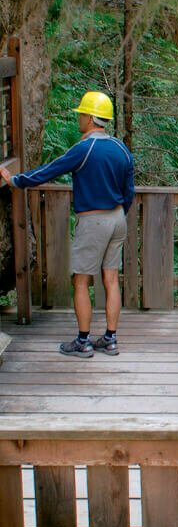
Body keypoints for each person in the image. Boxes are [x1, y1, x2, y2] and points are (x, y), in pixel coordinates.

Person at [0, 90, 135, 357]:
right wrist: (118, 213)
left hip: (93, 221)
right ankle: (110, 339)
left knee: (81, 281)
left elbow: (49, 170)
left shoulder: (84, 148)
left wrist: (15, 181)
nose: (79, 119)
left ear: (89, 118)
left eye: (81, 114)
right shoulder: (121, 149)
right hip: (118, 218)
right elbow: (128, 191)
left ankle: (83, 342)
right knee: (111, 279)